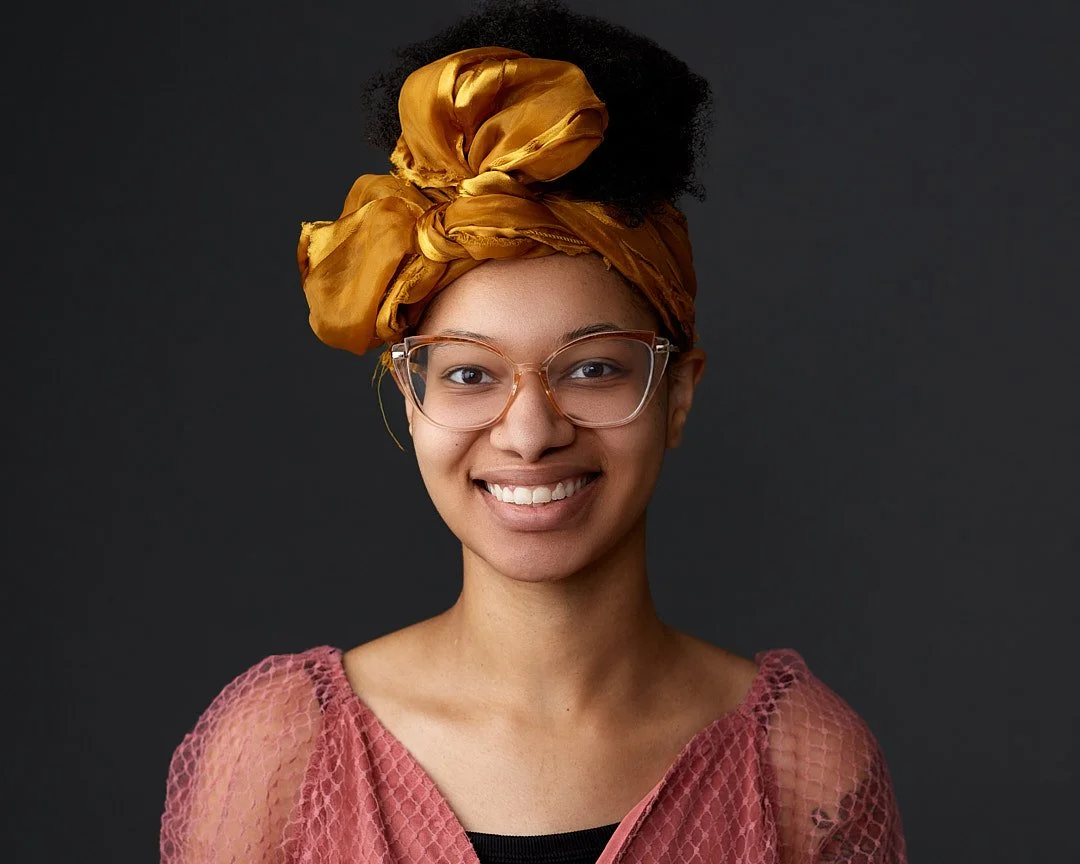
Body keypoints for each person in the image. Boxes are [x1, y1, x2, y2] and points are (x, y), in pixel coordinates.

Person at [160, 2, 907, 862]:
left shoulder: (800, 762)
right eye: (470, 374)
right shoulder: (280, 749)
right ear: (412, 398)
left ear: (678, 397)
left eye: (592, 368)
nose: (528, 432)